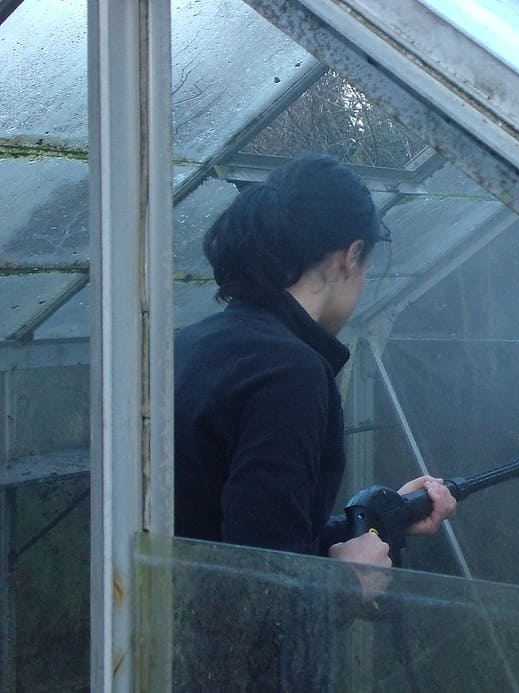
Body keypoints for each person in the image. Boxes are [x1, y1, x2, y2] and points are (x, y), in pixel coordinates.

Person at [172, 153, 457, 688]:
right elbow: (258, 587)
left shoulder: (195, 344)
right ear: (349, 257)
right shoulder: (291, 373)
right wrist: (350, 582)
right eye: (368, 266)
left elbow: (239, 531)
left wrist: (381, 524)